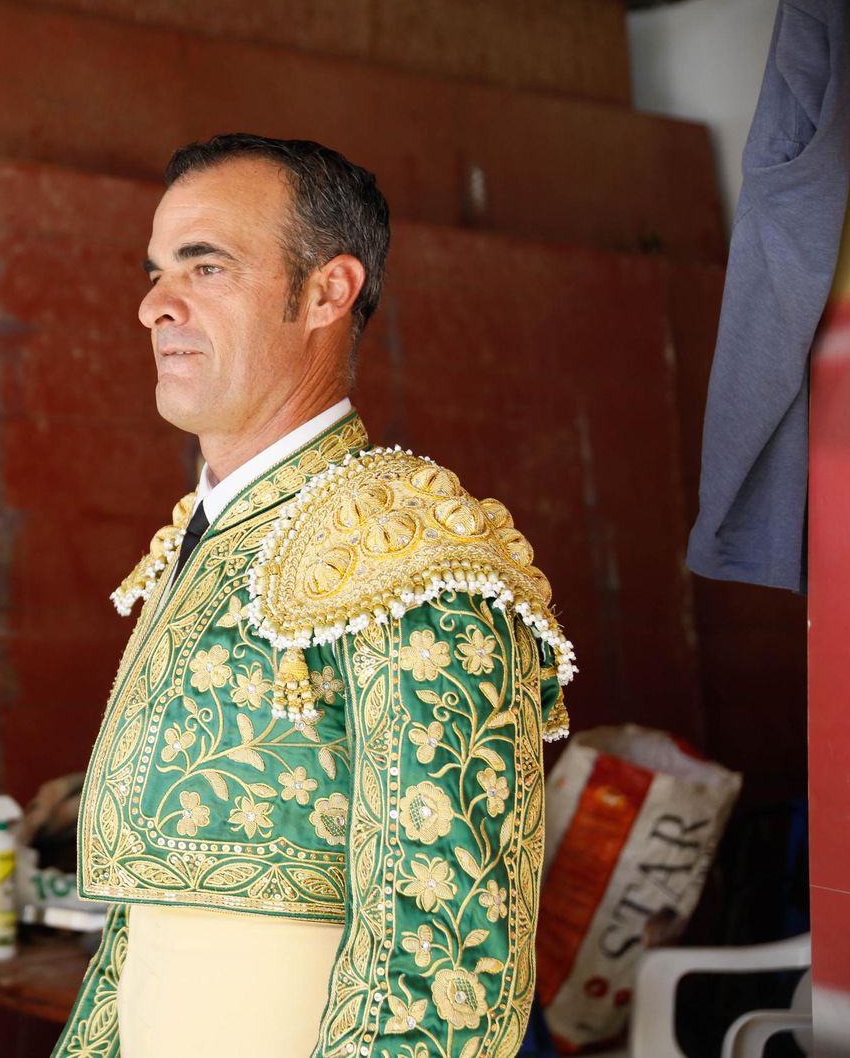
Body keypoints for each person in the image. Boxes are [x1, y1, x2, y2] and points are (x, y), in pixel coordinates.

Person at [51, 135, 573, 1058]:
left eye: (204, 266)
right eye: (156, 271)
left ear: (328, 291)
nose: (154, 305)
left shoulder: (408, 545)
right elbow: (139, 928)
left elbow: (446, 966)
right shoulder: (198, 540)